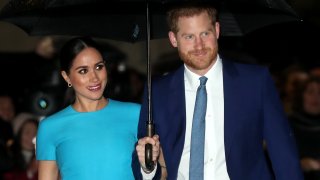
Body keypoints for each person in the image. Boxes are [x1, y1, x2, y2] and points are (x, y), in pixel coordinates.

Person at [133, 2, 304, 180]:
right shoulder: (158, 91)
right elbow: (143, 162)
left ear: (217, 30)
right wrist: (148, 167)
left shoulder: (255, 82)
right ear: (173, 39)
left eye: (205, 34)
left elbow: (283, 154)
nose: (199, 45)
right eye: (189, 37)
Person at [35, 36, 155, 180]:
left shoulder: (136, 114)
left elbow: (163, 172)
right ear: (66, 77)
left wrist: (151, 164)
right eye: (83, 71)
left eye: (99, 67)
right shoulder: (50, 127)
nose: (95, 78)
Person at [289, 76, 320, 180]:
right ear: (301, 96)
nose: (316, 97)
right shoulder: (286, 126)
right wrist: (299, 164)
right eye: (310, 92)